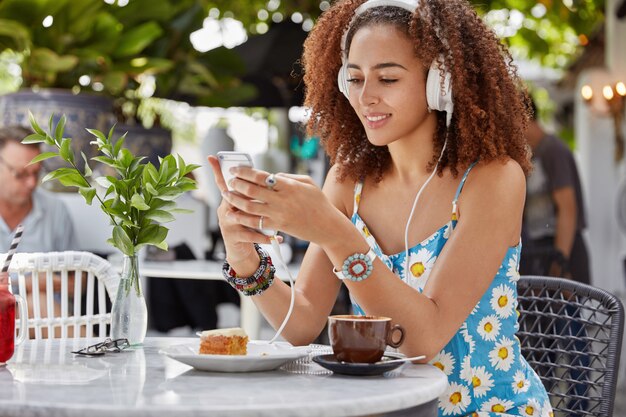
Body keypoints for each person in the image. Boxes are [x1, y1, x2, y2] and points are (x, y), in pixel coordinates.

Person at [208, 0, 552, 415]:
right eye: (353, 78)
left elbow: (421, 342)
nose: (365, 97)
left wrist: (334, 232)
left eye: (387, 78)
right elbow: (299, 326)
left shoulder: (493, 178)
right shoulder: (348, 181)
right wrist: (243, 255)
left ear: (439, 81)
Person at [0, 125, 79, 335]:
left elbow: (78, 283)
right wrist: (25, 282)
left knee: (36, 301)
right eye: (20, 173)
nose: (32, 183)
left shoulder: (55, 211)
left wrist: (41, 284)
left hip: (47, 326)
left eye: (37, 172)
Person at [520, 99, 590, 284]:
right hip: (541, 250)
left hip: (563, 250)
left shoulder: (553, 150)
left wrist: (561, 264)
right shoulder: (533, 154)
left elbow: (568, 208)